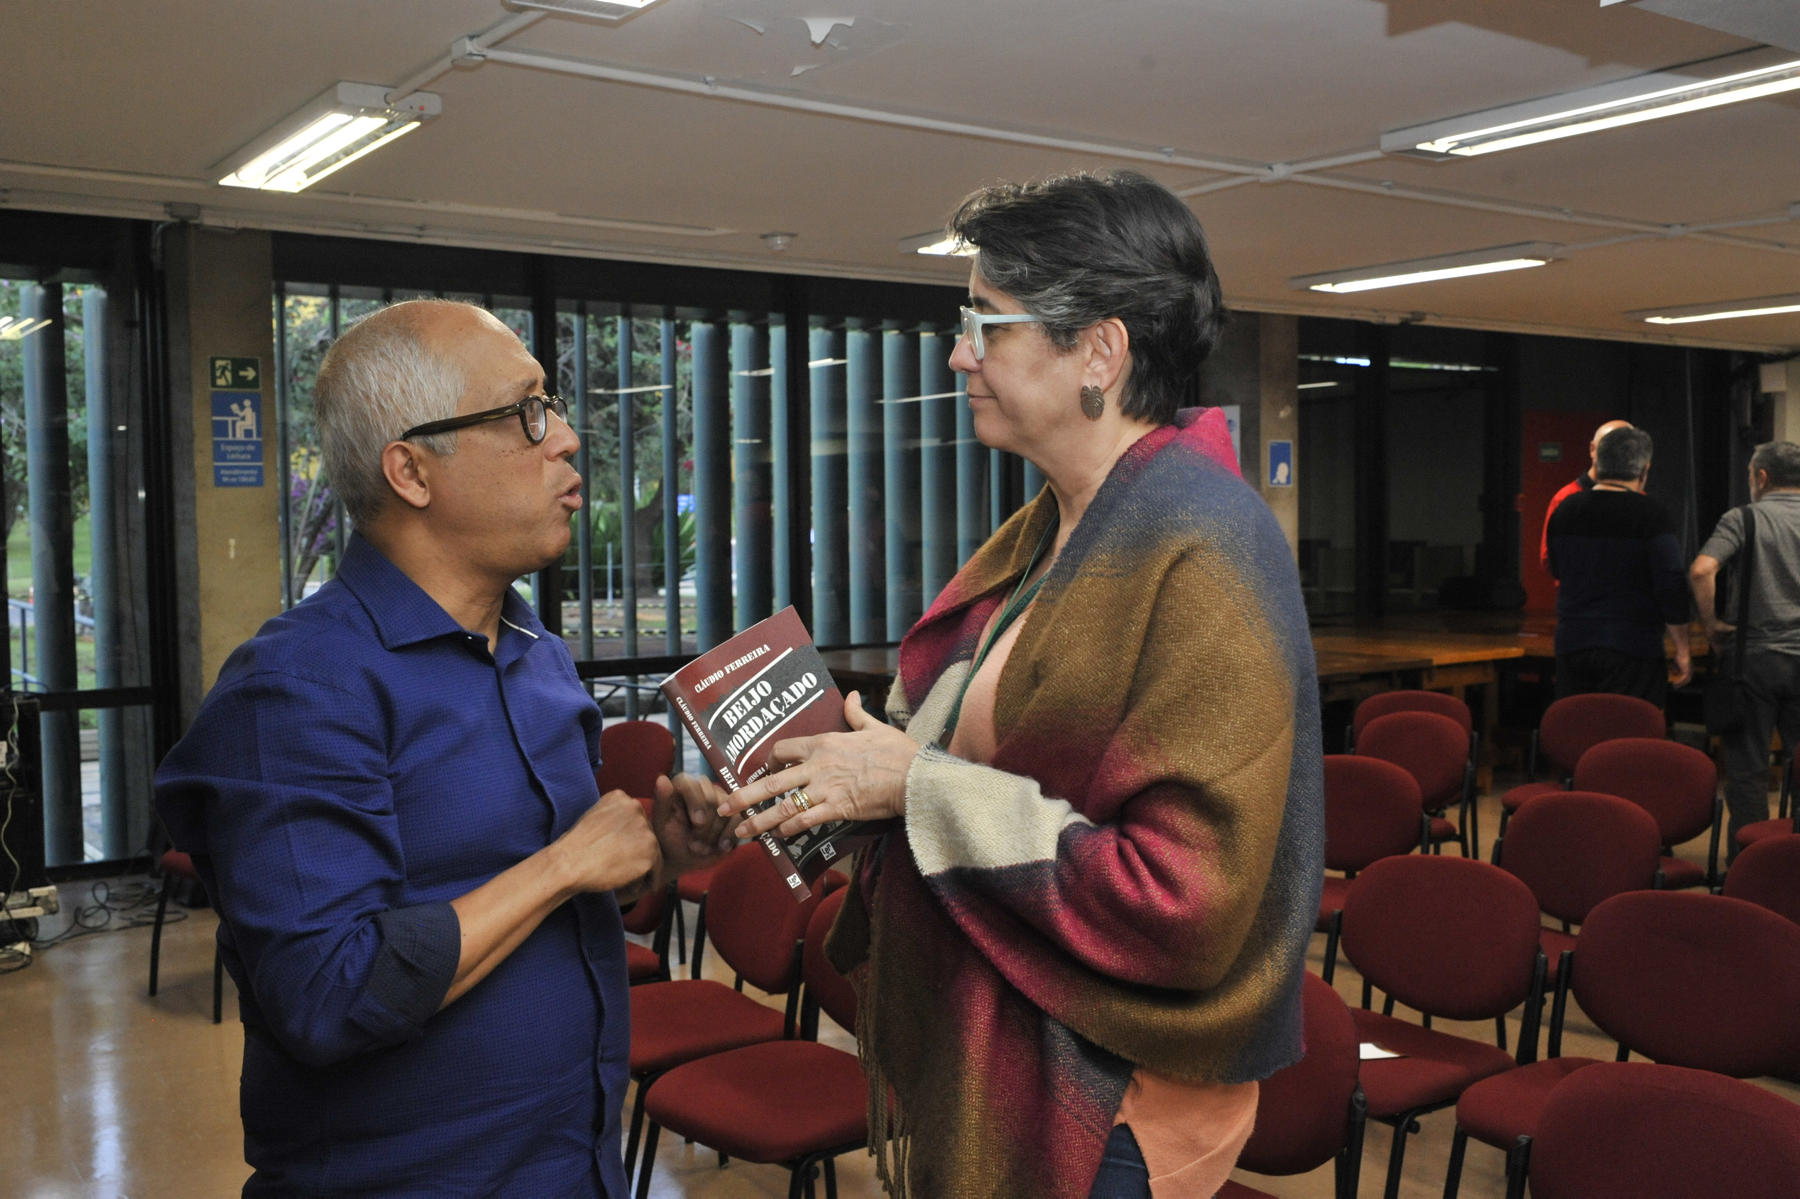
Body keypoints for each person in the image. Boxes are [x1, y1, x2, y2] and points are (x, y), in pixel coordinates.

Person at [720, 171, 1324, 1199]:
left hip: (1109, 1098)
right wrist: (835, 778)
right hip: (1011, 1047)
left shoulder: (1205, 545)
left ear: (1100, 351)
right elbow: (975, 764)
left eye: (986, 324)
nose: (960, 354)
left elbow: (1185, 901)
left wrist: (912, 783)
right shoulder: (1059, 527)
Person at [154, 300, 733, 1197]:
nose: (567, 439)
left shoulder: (538, 658)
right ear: (412, 471)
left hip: (574, 1168)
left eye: (555, 406)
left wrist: (652, 857)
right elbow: (325, 993)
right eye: (527, 412)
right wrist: (562, 866)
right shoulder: (299, 689)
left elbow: (543, 902)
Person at [1690, 440, 1800, 855]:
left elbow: (1702, 570)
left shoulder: (1743, 519)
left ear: (1762, 477)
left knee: (1747, 770)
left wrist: (1713, 626)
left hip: (1753, 660)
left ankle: (1749, 865)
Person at [1545, 426, 1691, 705]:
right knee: (1627, 727)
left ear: (1598, 462)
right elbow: (1670, 583)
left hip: (1572, 643)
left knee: (1577, 725)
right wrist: (1682, 649)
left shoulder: (1565, 510)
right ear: (1644, 471)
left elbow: (1556, 568)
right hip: (1633, 646)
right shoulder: (1651, 515)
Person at [1540, 418, 1634, 568]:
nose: (1616, 456)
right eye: (1609, 448)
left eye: (1625, 449)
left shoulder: (1639, 500)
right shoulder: (1565, 498)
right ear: (1592, 449)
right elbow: (1549, 558)